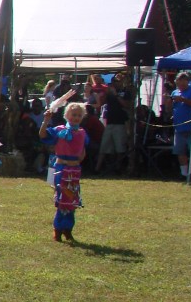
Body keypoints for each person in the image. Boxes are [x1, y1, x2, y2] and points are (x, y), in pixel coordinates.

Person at [39, 102, 88, 242]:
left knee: (72, 199)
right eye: (74, 114)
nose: (76, 117)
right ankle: (58, 229)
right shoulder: (59, 130)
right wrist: (46, 120)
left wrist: (78, 161)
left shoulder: (82, 133)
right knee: (62, 198)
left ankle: (68, 229)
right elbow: (43, 135)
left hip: (74, 169)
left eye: (79, 115)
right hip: (61, 168)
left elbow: (83, 150)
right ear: (67, 115)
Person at [94, 82, 128, 175]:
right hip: (109, 123)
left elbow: (126, 105)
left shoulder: (124, 92)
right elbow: (102, 103)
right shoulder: (108, 95)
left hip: (120, 123)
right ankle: (97, 168)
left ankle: (118, 167)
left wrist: (116, 94)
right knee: (104, 146)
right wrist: (106, 93)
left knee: (119, 147)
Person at [170, 72, 191, 179]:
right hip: (178, 127)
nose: (181, 85)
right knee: (180, 151)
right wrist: (168, 102)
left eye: (183, 83)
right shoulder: (175, 92)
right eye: (178, 83)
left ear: (187, 81)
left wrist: (183, 100)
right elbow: (171, 108)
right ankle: (184, 174)